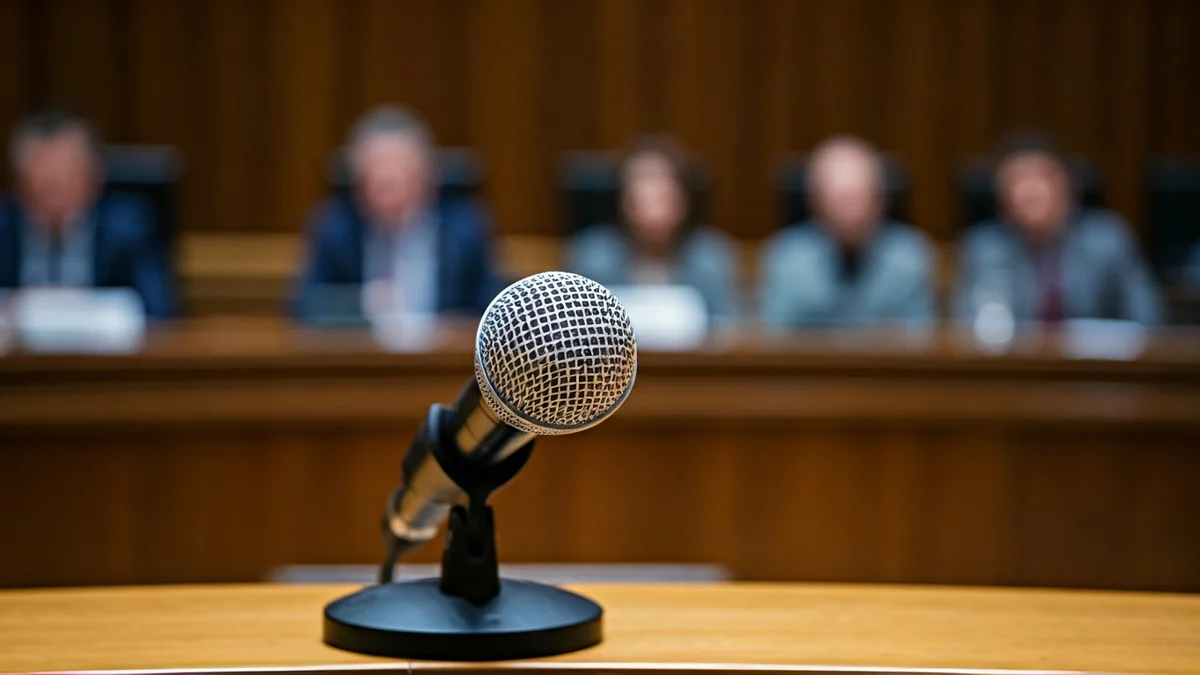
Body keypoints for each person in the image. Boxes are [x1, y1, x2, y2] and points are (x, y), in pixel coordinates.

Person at [295, 105, 502, 319]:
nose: (387, 191)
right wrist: (361, 303)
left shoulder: (465, 230)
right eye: (376, 179)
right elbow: (306, 310)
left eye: (399, 175)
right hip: (360, 351)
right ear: (358, 184)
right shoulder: (335, 229)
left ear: (426, 180)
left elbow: (492, 309)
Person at [954, 136, 1162, 325]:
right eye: (1016, 181)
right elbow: (968, 324)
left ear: (1068, 185)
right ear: (1001, 198)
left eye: (1043, 177)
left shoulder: (1108, 239)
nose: (1030, 190)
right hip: (1016, 363)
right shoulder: (983, 246)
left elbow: (1147, 317)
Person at [0, 110, 175, 318]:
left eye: (65, 175)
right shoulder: (4, 230)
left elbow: (160, 316)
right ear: (19, 183)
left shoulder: (128, 231)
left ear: (94, 179)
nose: (52, 189)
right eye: (42, 181)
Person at [759, 135, 934, 328]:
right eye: (842, 199)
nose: (852, 212)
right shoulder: (788, 258)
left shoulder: (909, 257)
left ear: (881, 200)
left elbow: (922, 341)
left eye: (860, 198)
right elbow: (774, 338)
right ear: (815, 203)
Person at [567, 135, 738, 321]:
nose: (653, 214)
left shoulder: (709, 256)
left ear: (684, 202)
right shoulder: (594, 256)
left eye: (662, 199)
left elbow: (726, 331)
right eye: (642, 200)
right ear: (623, 202)